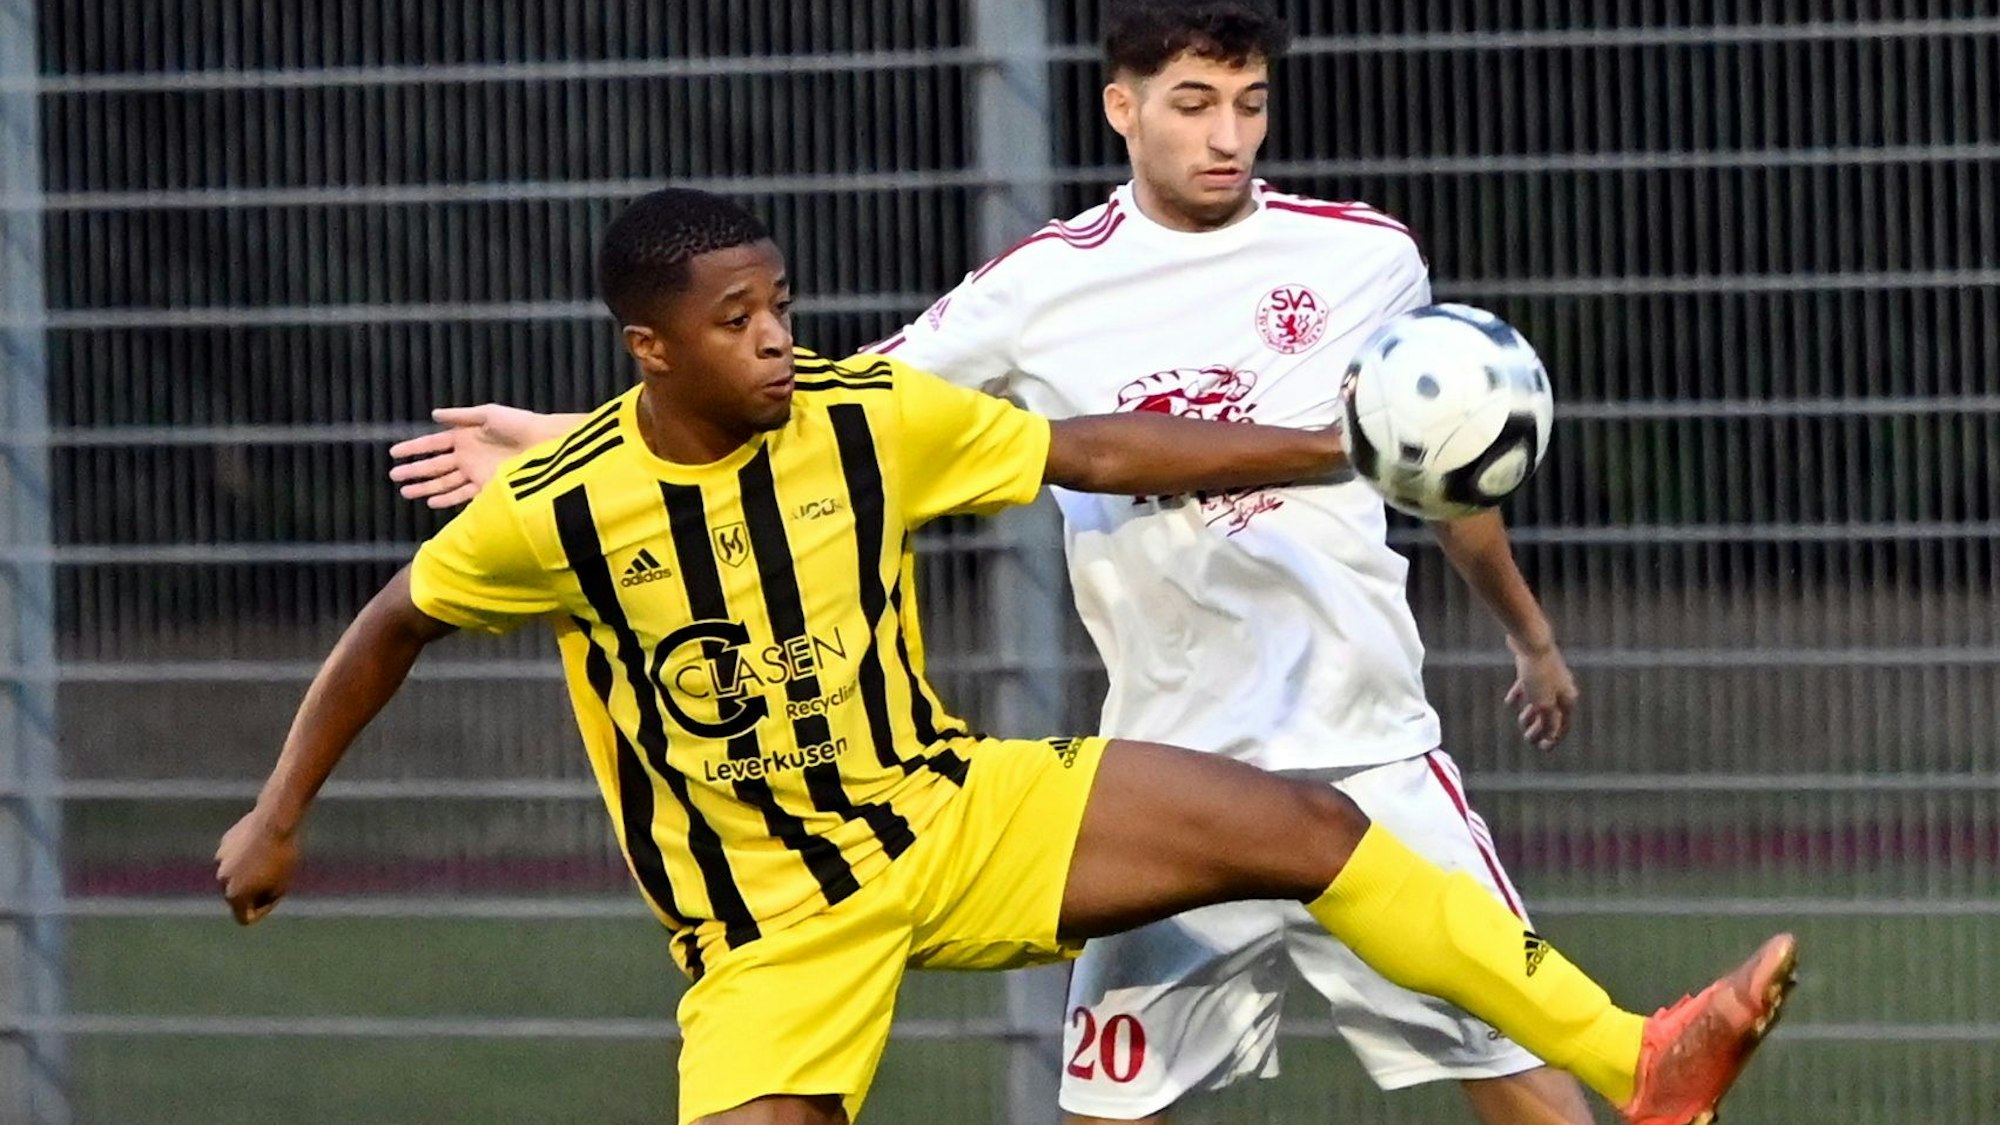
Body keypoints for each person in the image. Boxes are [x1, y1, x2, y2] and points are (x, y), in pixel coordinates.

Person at [220, 186, 1794, 1125]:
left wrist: (1340, 445)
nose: (775, 335)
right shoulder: (557, 514)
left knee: (1316, 831)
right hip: (772, 930)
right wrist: (280, 813)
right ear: (652, 345)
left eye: (780, 302)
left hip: (953, 813)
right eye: (734, 318)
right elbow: (392, 626)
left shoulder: (862, 418)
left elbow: (1093, 453)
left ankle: (1640, 1056)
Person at [380, 3, 1656, 1123]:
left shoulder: (1365, 256)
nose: (1227, 135)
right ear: (1122, 105)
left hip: (1362, 738)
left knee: (1524, 1069)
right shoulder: (1034, 289)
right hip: (1174, 763)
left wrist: (1525, 633)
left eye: (1251, 105)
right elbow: (820, 405)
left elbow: (1436, 466)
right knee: (1109, 1109)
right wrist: (570, 436)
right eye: (1194, 102)